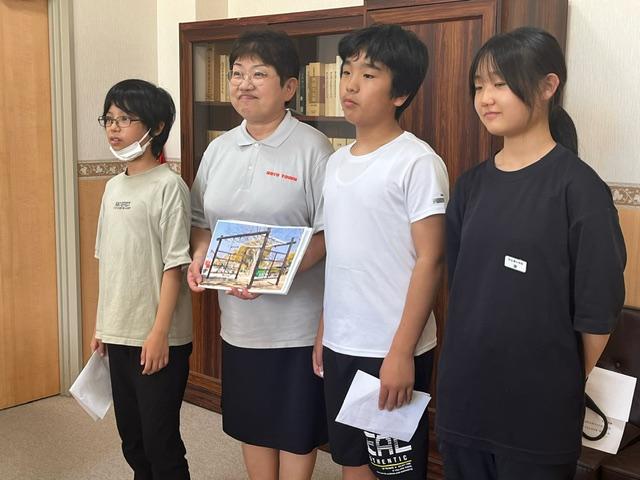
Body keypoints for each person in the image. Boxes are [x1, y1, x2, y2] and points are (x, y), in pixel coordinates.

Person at [436, 27, 626, 480]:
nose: (486, 98)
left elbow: (598, 312)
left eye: (501, 83)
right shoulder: (471, 186)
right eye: (479, 86)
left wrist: (555, 379)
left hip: (537, 412)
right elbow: (461, 287)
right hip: (465, 400)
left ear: (547, 86)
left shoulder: (580, 189)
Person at [187, 30, 333, 480]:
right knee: (252, 422)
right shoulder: (218, 148)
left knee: (294, 428)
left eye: (259, 74)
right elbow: (200, 220)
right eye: (237, 73)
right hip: (238, 321)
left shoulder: (313, 147)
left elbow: (329, 232)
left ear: (289, 87)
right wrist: (200, 255)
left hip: (296, 324)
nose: (244, 83)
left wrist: (271, 273)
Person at [314, 24, 449, 480]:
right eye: (346, 71)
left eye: (368, 75)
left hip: (391, 348)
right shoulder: (335, 162)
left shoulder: (417, 162)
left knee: (395, 471)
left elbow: (431, 259)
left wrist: (401, 352)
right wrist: (325, 328)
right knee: (351, 459)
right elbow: (342, 255)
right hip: (341, 342)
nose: (350, 85)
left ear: (400, 93)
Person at [91, 79, 193, 480]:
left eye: (126, 119)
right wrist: (102, 326)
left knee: (159, 441)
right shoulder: (112, 186)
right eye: (109, 119)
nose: (114, 128)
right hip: (118, 332)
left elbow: (174, 266)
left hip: (158, 336)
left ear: (157, 126)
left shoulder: (169, 186)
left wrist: (160, 333)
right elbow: (108, 262)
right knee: (132, 441)